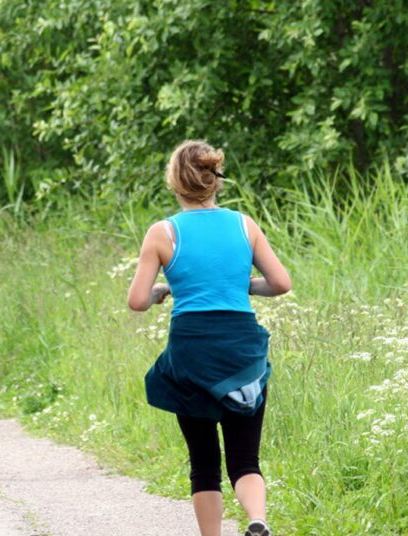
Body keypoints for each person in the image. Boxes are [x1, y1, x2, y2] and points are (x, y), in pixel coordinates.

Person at [127, 140, 291, 536]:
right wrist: (240, 285)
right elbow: (281, 283)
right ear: (215, 181)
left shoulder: (162, 232)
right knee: (245, 459)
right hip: (240, 348)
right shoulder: (244, 225)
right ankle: (257, 519)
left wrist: (163, 290)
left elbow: (136, 301)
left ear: (175, 183)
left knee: (203, 462)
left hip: (192, 351)